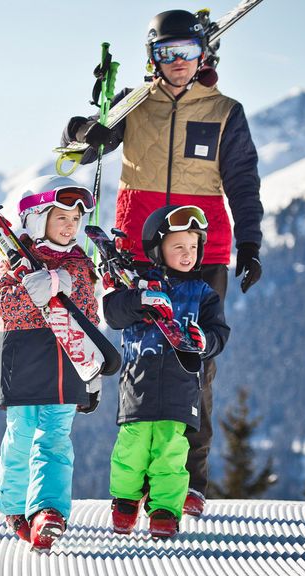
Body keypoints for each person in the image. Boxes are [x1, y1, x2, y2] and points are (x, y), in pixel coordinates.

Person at [61, 9, 263, 516]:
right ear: (152, 58)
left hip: (201, 251)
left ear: (204, 57)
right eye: (166, 53)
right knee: (140, 360)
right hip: (136, 249)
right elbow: (82, 151)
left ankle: (187, 481)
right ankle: (138, 478)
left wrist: (251, 243)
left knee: (196, 364)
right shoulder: (135, 103)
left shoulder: (224, 111)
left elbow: (242, 181)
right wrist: (86, 126)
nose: (177, 63)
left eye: (188, 53)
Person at [101, 205, 229, 538]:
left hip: (181, 385)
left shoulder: (203, 294)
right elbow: (113, 313)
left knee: (171, 450)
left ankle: (165, 509)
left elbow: (219, 333)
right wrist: (139, 300)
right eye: (178, 247)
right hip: (137, 384)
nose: (188, 254)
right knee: (132, 446)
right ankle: (126, 501)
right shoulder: (138, 284)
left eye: (193, 247)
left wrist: (205, 340)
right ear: (159, 249)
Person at [0, 175, 100, 553]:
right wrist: (35, 289)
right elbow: (5, 306)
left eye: (75, 219)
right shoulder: (16, 259)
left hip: (68, 366)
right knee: (21, 435)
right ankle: (14, 506)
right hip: (24, 361)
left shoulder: (81, 263)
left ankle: (49, 510)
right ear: (37, 219)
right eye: (61, 218)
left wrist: (94, 372)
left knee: (54, 439)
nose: (70, 227)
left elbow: (89, 314)